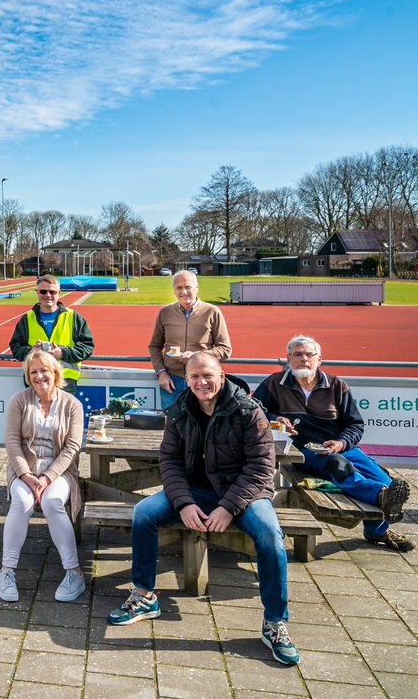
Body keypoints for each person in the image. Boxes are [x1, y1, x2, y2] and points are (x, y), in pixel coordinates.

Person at [107, 353, 301, 667]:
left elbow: (261, 468)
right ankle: (145, 596)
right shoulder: (179, 409)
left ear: (222, 375)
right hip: (194, 492)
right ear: (188, 379)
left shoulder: (249, 411)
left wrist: (228, 507)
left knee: (269, 535)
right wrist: (183, 502)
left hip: (243, 493)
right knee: (143, 512)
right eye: (194, 377)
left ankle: (275, 623)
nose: (202, 382)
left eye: (208, 375)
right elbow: (168, 461)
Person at [253, 335, 413, 552]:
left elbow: (355, 425)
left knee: (385, 479)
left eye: (309, 355)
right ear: (289, 358)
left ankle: (376, 530)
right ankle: (378, 496)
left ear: (320, 359)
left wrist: (341, 442)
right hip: (303, 452)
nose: (304, 359)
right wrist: (275, 419)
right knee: (338, 466)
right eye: (298, 354)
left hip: (341, 447)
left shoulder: (337, 386)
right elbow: (253, 411)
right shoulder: (273, 383)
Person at [0, 350, 86, 604]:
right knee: (22, 502)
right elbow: (12, 441)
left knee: (52, 503)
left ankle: (74, 573)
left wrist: (47, 479)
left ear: (55, 372)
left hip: (59, 473)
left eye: (44, 370)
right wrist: (25, 474)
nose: (39, 376)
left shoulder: (73, 405)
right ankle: (6, 571)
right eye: (33, 372)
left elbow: (72, 448)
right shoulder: (19, 400)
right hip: (24, 471)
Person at [148, 270, 231, 405]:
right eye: (179, 288)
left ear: (196, 288)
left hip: (202, 383)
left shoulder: (212, 311)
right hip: (172, 382)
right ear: (174, 290)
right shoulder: (165, 312)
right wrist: (161, 373)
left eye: (188, 287)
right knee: (172, 424)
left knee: (203, 424)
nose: (184, 292)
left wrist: (196, 356)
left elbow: (225, 349)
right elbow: (154, 346)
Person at [7, 274, 95, 395]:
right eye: (43, 291)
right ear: (37, 292)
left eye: (52, 292)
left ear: (59, 293)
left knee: (62, 414)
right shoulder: (27, 319)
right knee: (36, 414)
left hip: (64, 382)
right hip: (36, 381)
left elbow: (87, 346)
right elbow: (16, 348)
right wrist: (30, 351)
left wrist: (63, 353)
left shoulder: (73, 317)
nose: (48, 295)